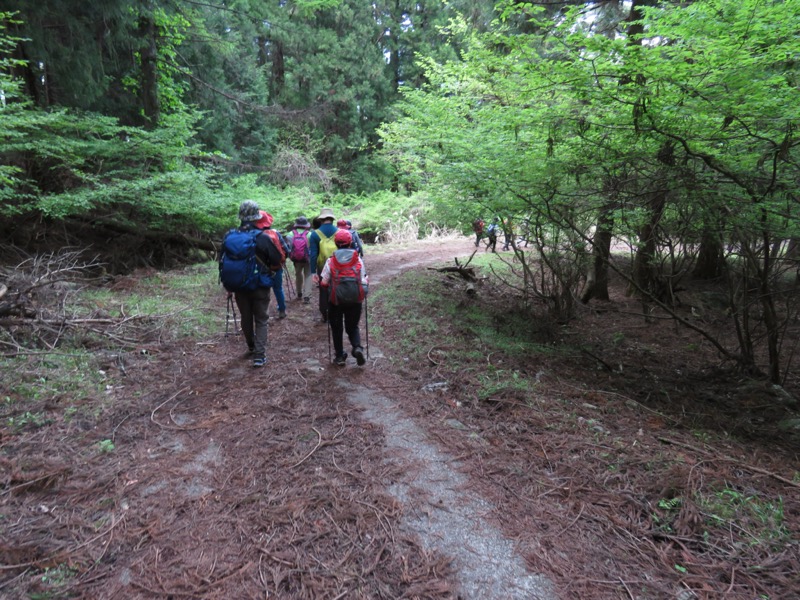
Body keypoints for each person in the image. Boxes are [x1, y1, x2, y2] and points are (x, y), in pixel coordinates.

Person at [224, 200, 273, 368]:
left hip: (239, 285)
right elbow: (275, 259)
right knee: (261, 319)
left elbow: (223, 261)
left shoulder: (230, 236)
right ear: (256, 217)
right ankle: (259, 355)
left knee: (246, 317)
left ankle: (251, 346)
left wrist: (228, 286)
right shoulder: (262, 237)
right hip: (260, 284)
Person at [319, 229, 368, 366]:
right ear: (350, 242)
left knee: (336, 328)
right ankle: (357, 348)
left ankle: (340, 356)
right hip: (355, 299)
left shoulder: (331, 260)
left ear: (336, 243)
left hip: (336, 301)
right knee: (352, 326)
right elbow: (363, 279)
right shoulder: (357, 259)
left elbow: (324, 283)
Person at [254, 210, 291, 319]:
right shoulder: (275, 233)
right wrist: (282, 260)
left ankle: (263, 313)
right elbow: (286, 250)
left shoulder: (255, 236)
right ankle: (282, 310)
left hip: (260, 269)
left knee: (262, 291)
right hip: (276, 267)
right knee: (278, 288)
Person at [308, 207, 339, 323]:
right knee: (337, 287)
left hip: (322, 267)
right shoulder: (339, 232)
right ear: (332, 219)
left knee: (323, 289)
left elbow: (313, 255)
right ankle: (336, 312)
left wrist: (313, 272)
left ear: (321, 219)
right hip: (337, 265)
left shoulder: (315, 234)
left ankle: (325, 313)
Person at [285, 216, 313, 304]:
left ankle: (299, 293)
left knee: (298, 274)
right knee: (308, 275)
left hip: (296, 259)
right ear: (306, 225)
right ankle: (307, 296)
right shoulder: (310, 234)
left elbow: (289, 248)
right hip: (307, 259)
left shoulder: (290, 234)